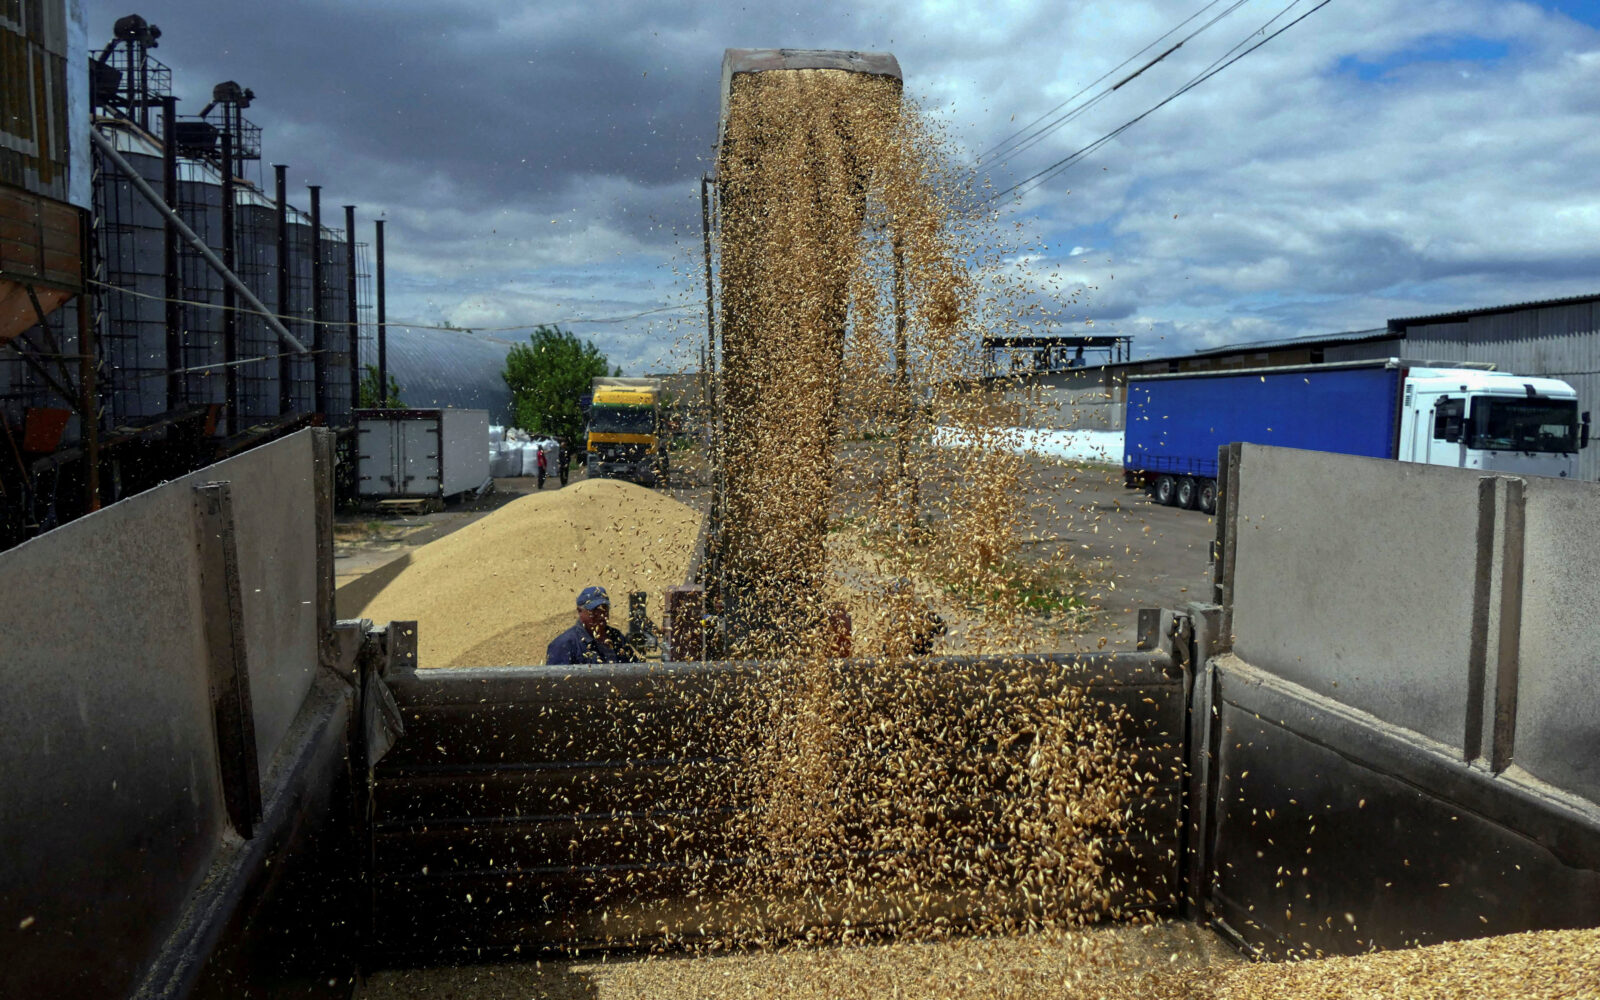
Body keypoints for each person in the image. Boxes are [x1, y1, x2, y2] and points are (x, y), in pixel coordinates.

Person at [546, 586, 639, 665]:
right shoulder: (564, 644)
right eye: (594, 610)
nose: (601, 614)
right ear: (579, 611)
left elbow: (635, 671)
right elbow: (555, 683)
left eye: (604, 608)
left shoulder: (617, 637)